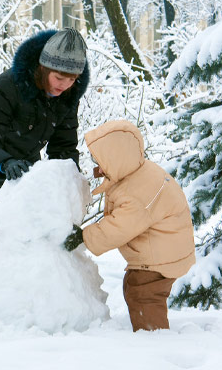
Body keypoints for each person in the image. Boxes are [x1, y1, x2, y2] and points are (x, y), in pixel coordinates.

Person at [0, 28, 91, 326]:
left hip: (20, 161)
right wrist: (2, 162)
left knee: (30, 229)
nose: (65, 85)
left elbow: (63, 148)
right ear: (43, 68)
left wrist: (68, 185)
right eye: (59, 78)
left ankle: (21, 305)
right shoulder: (11, 85)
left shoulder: (67, 97)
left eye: (72, 79)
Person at [62, 120, 196, 331]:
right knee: (134, 286)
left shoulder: (138, 191)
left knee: (143, 294)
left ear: (117, 158)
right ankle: (148, 328)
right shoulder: (135, 174)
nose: (97, 167)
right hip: (162, 248)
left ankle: (154, 337)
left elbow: (119, 227)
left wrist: (84, 237)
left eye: (100, 161)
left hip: (160, 256)